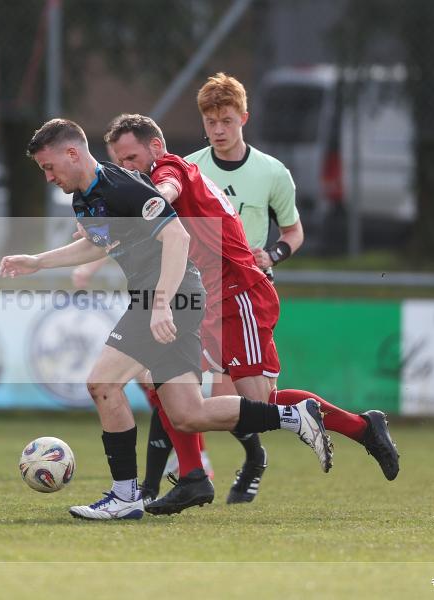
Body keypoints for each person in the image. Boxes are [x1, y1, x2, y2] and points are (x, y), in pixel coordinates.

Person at [0, 118, 331, 521]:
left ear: (72, 153)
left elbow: (178, 236)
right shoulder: (84, 199)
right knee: (187, 413)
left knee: (103, 384)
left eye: (49, 167)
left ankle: (125, 496)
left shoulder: (121, 186)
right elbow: (95, 244)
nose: (48, 177)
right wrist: (37, 261)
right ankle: (292, 416)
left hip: (169, 296)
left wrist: (159, 304)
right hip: (173, 297)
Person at [96, 113, 398, 515]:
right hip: (208, 299)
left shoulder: (169, 170)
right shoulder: (173, 171)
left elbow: (166, 191)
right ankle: (192, 478)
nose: (127, 168)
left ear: (154, 148)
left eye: (131, 157)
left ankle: (362, 427)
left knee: (260, 405)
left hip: (238, 296)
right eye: (120, 162)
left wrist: (145, 203)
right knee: (162, 380)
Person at [186, 73, 400, 491]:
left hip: (246, 292)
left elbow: (293, 231)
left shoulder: (272, 172)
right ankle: (213, 468)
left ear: (244, 118)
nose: (218, 129)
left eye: (226, 120)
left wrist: (274, 253)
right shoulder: (191, 167)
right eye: (210, 121)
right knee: (213, 402)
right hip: (206, 293)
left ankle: (205, 471)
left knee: (241, 402)